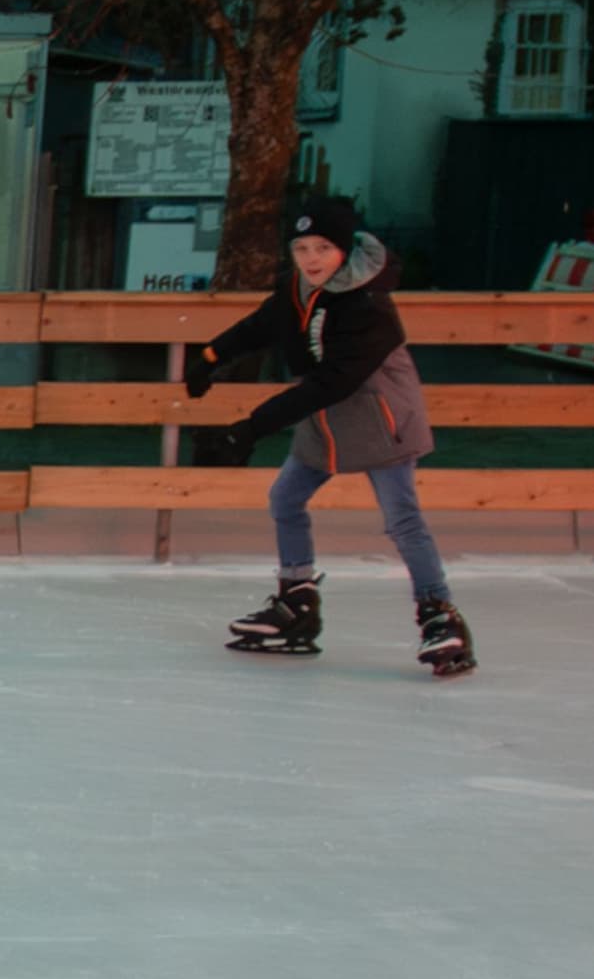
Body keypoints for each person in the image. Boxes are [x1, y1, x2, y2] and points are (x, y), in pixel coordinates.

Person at [185, 195, 475, 676]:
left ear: (344, 249)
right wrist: (211, 358)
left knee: (402, 518)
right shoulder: (298, 290)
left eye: (322, 247)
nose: (312, 259)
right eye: (301, 249)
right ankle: (296, 603)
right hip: (325, 417)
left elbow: (335, 381)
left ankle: (440, 616)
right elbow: (261, 325)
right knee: (286, 498)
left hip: (380, 415)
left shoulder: (368, 304)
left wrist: (250, 428)